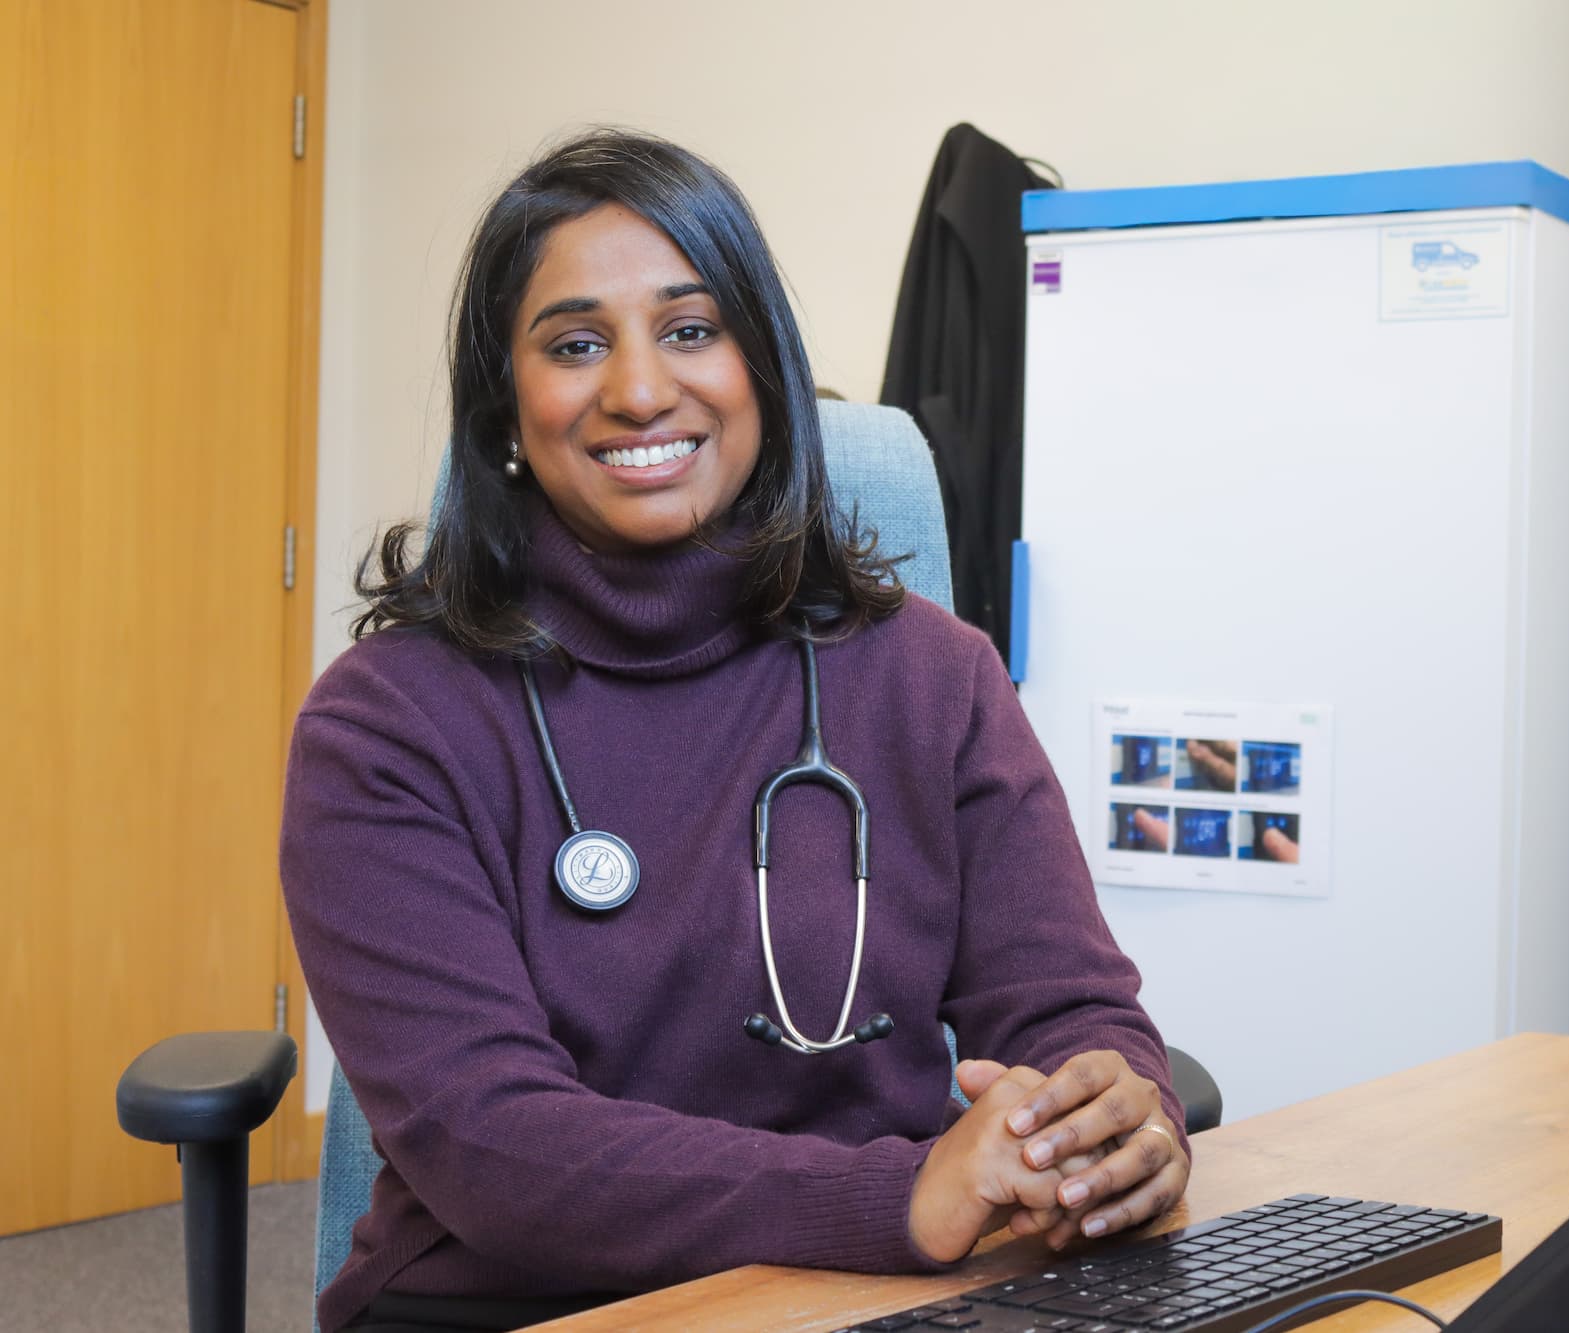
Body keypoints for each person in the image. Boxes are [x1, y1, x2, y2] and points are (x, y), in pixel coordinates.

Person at [281, 128, 1190, 1333]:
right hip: (519, 1306)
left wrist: (1114, 1116)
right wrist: (901, 1192)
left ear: (761, 366)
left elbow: (1066, 1006)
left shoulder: (935, 679)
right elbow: (482, 1139)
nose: (641, 389)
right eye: (574, 343)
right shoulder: (388, 723)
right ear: (505, 407)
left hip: (869, 1298)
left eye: (691, 328)